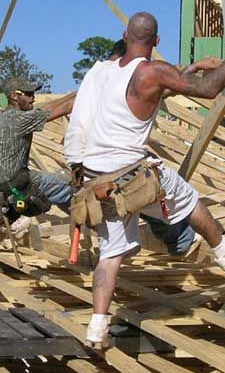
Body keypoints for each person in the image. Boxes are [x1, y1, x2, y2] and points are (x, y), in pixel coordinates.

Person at [74, 11, 225, 346]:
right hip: (132, 172)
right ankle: (224, 249)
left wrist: (193, 66)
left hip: (98, 178)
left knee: (109, 255)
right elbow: (208, 90)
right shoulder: (152, 70)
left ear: (125, 35)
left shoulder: (106, 71)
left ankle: (97, 327)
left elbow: (162, 88)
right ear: (156, 41)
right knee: (187, 198)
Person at [66, 38, 208, 257]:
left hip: (89, 169)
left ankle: (130, 248)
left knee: (128, 216)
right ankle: (184, 242)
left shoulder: (97, 77)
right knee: (154, 193)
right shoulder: (114, 78)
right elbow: (157, 88)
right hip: (115, 168)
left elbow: (158, 88)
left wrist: (192, 69)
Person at [0, 79, 76, 212]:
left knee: (62, 192)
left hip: (4, 186)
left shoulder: (6, 116)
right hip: (20, 184)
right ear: (14, 96)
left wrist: (74, 94)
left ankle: (79, 216)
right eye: (28, 94)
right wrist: (91, 93)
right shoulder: (19, 119)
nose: (33, 98)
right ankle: (98, 223)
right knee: (73, 186)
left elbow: (46, 108)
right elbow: (66, 108)